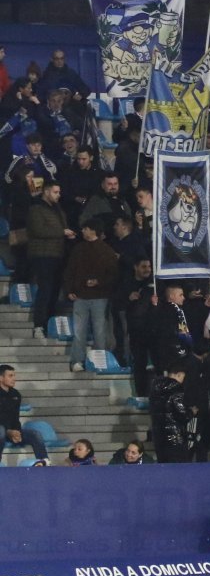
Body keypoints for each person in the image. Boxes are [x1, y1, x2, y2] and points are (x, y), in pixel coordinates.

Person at [63, 218, 118, 372]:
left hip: (99, 297)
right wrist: (69, 290)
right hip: (82, 296)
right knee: (82, 332)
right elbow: (70, 271)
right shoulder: (79, 249)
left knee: (99, 332)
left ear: (92, 230)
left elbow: (113, 275)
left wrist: (98, 282)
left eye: (85, 228)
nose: (82, 231)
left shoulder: (106, 251)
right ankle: (78, 361)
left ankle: (98, 362)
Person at [27, 180, 74, 338]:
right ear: (46, 192)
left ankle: (49, 324)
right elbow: (39, 230)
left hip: (58, 254)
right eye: (55, 192)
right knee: (45, 289)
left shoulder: (58, 209)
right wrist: (62, 232)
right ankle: (39, 324)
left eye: (59, 192)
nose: (58, 195)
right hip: (43, 255)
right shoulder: (36, 209)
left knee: (54, 291)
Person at [0, 365, 50, 466]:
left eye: (14, 375)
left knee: (35, 434)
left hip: (10, 431)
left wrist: (17, 432)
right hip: (2, 430)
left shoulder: (16, 394)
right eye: (10, 375)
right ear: (1, 378)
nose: (14, 378)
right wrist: (8, 431)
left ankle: (44, 462)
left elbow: (15, 417)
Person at [149, 362, 191, 463]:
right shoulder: (176, 389)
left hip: (159, 436)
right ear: (179, 374)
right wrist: (191, 412)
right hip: (175, 437)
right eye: (182, 377)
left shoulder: (154, 389)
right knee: (179, 469)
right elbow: (182, 413)